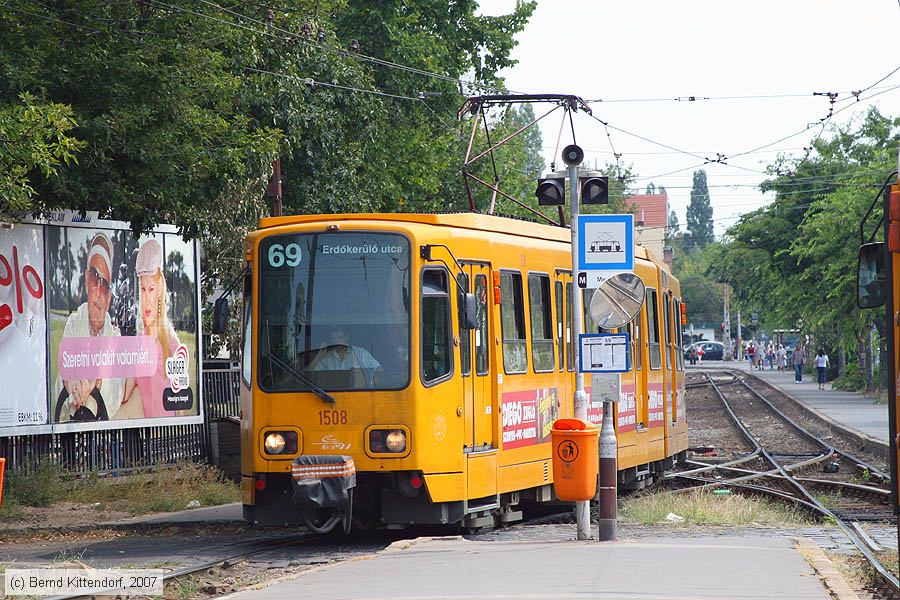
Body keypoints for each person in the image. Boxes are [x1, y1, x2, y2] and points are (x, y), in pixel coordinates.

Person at [55, 232, 124, 422]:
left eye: (104, 284)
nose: (97, 290)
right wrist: (72, 385)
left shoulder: (114, 334)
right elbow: (64, 368)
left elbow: (117, 389)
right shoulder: (74, 322)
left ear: (109, 298)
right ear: (86, 280)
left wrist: (96, 381)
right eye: (94, 277)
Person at [123, 239, 181, 418]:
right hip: (145, 437)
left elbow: (182, 401)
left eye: (151, 289)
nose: (146, 299)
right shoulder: (138, 343)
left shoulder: (171, 342)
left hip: (168, 436)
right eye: (142, 289)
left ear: (160, 292)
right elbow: (124, 395)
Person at [309, 327, 381, 385]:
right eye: (334, 338)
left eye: (340, 338)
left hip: (359, 395)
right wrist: (318, 356)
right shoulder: (326, 357)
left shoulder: (360, 353)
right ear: (331, 340)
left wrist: (372, 386)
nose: (337, 341)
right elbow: (308, 375)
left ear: (346, 337)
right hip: (332, 396)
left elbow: (379, 369)